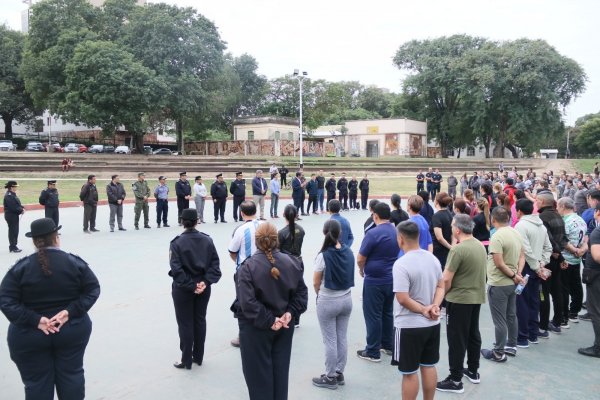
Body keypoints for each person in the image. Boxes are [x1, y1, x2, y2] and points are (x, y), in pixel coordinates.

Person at [0, 218, 100, 399]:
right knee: (72, 376)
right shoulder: (74, 263)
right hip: (71, 330)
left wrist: (35, 320)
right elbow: (92, 289)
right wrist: (70, 312)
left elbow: (6, 300)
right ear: (56, 238)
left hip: (30, 335)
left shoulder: (21, 268)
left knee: (37, 383)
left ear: (34, 241)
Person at [234, 223, 308, 400]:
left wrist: (270, 320)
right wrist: (290, 312)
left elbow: (247, 302)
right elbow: (301, 294)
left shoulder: (248, 267)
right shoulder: (293, 262)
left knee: (258, 378)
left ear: (256, 241)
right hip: (284, 324)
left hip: (257, 328)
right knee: (280, 374)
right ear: (277, 239)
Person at [392, 221, 444, 400]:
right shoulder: (433, 258)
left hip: (408, 325)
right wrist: (435, 306)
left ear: (400, 239)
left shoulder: (401, 264)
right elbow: (441, 286)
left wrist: (423, 310)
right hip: (432, 323)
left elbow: (402, 298)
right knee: (428, 365)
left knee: (409, 372)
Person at [436, 214, 487, 393]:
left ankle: (455, 379)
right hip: (476, 297)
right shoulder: (479, 245)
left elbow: (447, 279)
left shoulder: (458, 250)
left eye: (452, 226)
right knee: (473, 334)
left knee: (456, 339)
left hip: (459, 299)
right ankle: (473, 370)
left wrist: (441, 297)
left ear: (457, 229)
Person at [169, 209, 222, 369]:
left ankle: (186, 359)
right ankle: (198, 356)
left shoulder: (176, 243)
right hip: (203, 287)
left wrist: (192, 286)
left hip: (184, 288)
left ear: (182, 222)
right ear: (197, 221)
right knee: (200, 320)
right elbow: (215, 266)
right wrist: (204, 283)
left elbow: (177, 270)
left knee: (185, 323)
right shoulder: (207, 240)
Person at [312, 219, 355, 390]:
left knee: (329, 340)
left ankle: (330, 377)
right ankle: (338, 372)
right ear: (340, 234)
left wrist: (319, 294)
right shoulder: (348, 252)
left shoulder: (323, 255)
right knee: (341, 337)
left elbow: (316, 282)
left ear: (324, 233)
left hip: (328, 300)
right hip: (346, 299)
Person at [357, 202, 400, 362]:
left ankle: (373, 350)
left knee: (373, 314)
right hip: (392, 278)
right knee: (387, 312)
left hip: (375, 280)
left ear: (375, 216)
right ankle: (387, 344)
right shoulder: (396, 231)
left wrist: (362, 270)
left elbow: (361, 258)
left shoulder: (373, 233)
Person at [480, 207, 525, 362]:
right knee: (511, 315)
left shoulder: (497, 236)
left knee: (500, 319)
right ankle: (511, 345)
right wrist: (517, 274)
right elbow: (522, 255)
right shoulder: (516, 233)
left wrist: (514, 275)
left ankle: (498, 352)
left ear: (493, 220)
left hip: (499, 282)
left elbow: (498, 263)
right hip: (512, 282)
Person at [514, 199, 552, 345]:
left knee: (522, 301)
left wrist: (536, 266)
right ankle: (533, 334)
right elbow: (548, 247)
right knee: (534, 300)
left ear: (519, 211)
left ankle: (522, 337)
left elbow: (526, 250)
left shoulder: (521, 226)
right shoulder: (541, 226)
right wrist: (542, 263)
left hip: (526, 268)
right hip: (537, 268)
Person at [228, 201, 262, 348]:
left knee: (243, 303)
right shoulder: (266, 226)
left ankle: (244, 336)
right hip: (265, 271)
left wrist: (241, 264)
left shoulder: (240, 230)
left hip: (245, 273)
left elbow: (232, 251)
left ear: (242, 213)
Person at [537, 192, 568, 333]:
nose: (535, 202)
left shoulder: (543, 217)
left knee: (544, 292)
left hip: (548, 259)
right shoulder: (558, 216)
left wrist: (559, 255)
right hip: (556, 258)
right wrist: (560, 256)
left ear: (543, 202)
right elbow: (563, 238)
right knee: (556, 292)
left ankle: (543, 325)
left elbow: (549, 240)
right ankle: (557, 321)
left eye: (537, 200)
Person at [557, 197, 587, 325]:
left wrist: (574, 250)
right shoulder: (580, 219)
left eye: (558, 206)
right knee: (576, 285)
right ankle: (574, 312)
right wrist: (581, 250)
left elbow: (562, 240)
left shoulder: (565, 221)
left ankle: (564, 317)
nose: (557, 209)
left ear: (563, 206)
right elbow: (586, 237)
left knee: (563, 288)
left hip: (566, 259)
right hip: (577, 259)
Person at [278, 204, 306, 328]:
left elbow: (278, 250)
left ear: (284, 214)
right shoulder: (301, 230)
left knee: (285, 291)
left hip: (286, 264)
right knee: (298, 290)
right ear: (296, 215)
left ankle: (286, 316)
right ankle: (297, 319)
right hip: (298, 261)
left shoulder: (282, 233)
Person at [578, 205, 600, 358]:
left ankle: (598, 347)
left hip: (596, 276)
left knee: (596, 311)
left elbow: (597, 256)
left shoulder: (598, 232)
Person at [431, 193, 454, 268]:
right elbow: (453, 233)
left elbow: (439, 237)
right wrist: (452, 246)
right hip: (447, 247)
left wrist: (450, 247)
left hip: (439, 250)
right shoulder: (449, 214)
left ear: (436, 202)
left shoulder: (437, 216)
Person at [4, 181, 24, 252]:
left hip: (14, 215)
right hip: (11, 216)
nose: (16, 188)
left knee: (15, 231)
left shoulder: (12, 194)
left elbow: (16, 204)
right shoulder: (9, 195)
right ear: (11, 187)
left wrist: (21, 207)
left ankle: (14, 246)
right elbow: (12, 207)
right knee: (13, 231)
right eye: (15, 186)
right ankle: (13, 247)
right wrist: (21, 210)